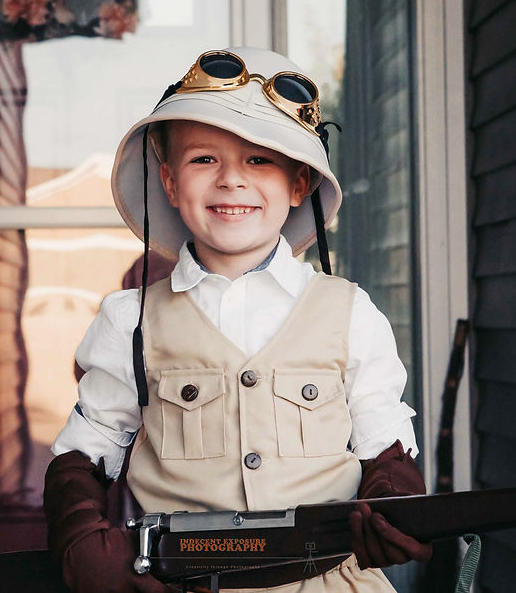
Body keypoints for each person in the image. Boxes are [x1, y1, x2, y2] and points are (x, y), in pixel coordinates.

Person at [44, 47, 431, 592]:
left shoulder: (351, 314)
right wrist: (79, 539)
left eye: (259, 160)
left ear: (299, 184)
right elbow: (88, 449)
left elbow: (383, 442)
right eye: (204, 159)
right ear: (171, 183)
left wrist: (394, 504)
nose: (231, 180)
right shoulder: (130, 319)